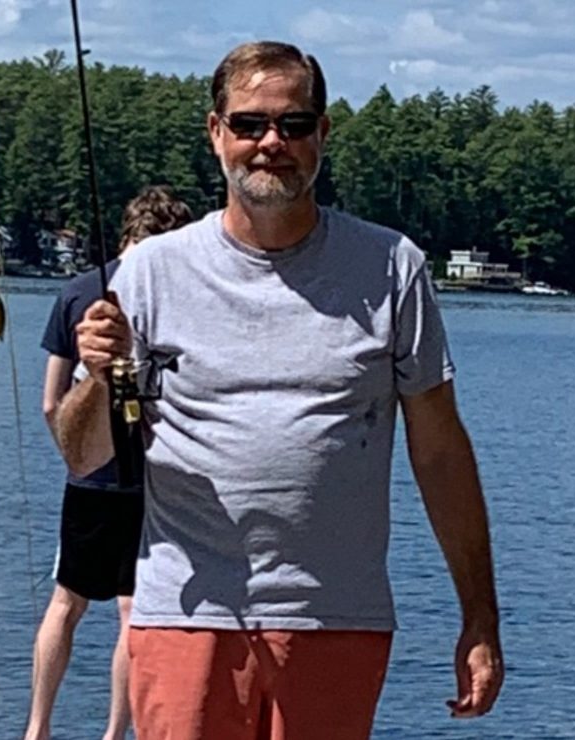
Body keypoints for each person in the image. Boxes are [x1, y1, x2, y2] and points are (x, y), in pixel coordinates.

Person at [57, 41, 504, 740]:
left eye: (294, 125)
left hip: (338, 619)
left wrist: (479, 617)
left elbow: (441, 455)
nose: (272, 143)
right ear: (216, 134)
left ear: (322, 135)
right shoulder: (148, 273)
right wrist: (97, 375)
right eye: (249, 124)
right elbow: (83, 456)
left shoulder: (392, 267)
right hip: (185, 616)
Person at [26, 186, 193, 740]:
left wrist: (75, 457)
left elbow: (51, 401)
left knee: (65, 603)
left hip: (89, 478)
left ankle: (37, 727)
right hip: (151, 477)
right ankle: (115, 733)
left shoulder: (78, 293)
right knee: (132, 611)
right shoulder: (180, 296)